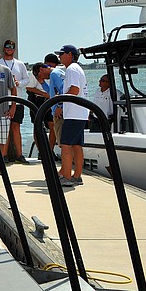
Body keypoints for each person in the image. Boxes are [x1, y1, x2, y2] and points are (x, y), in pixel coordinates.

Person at [54, 44, 88, 187]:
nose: (59, 57)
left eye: (61, 54)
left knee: (66, 145)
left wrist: (59, 98)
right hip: (80, 113)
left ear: (70, 54)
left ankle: (67, 176)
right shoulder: (77, 68)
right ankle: (77, 176)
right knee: (76, 145)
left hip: (73, 114)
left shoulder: (72, 69)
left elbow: (74, 90)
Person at [0, 40, 28, 162]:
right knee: (3, 129)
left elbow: (27, 79)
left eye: (12, 47)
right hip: (3, 101)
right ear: (4, 48)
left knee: (16, 127)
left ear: (14, 49)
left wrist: (18, 83)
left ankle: (19, 155)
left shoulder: (20, 64)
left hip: (18, 100)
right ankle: (4, 155)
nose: (9, 49)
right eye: (7, 47)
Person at [44, 53, 65, 154]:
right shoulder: (58, 73)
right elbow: (51, 92)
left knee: (63, 143)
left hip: (59, 111)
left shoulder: (54, 74)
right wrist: (41, 82)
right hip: (55, 108)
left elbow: (62, 90)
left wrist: (59, 106)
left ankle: (66, 168)